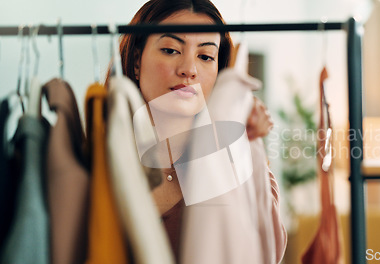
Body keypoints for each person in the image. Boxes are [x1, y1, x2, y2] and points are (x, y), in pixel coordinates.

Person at [108, 0, 287, 262]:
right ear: (137, 60)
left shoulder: (243, 169)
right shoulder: (101, 160)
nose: (189, 70)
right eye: (170, 50)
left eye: (205, 56)